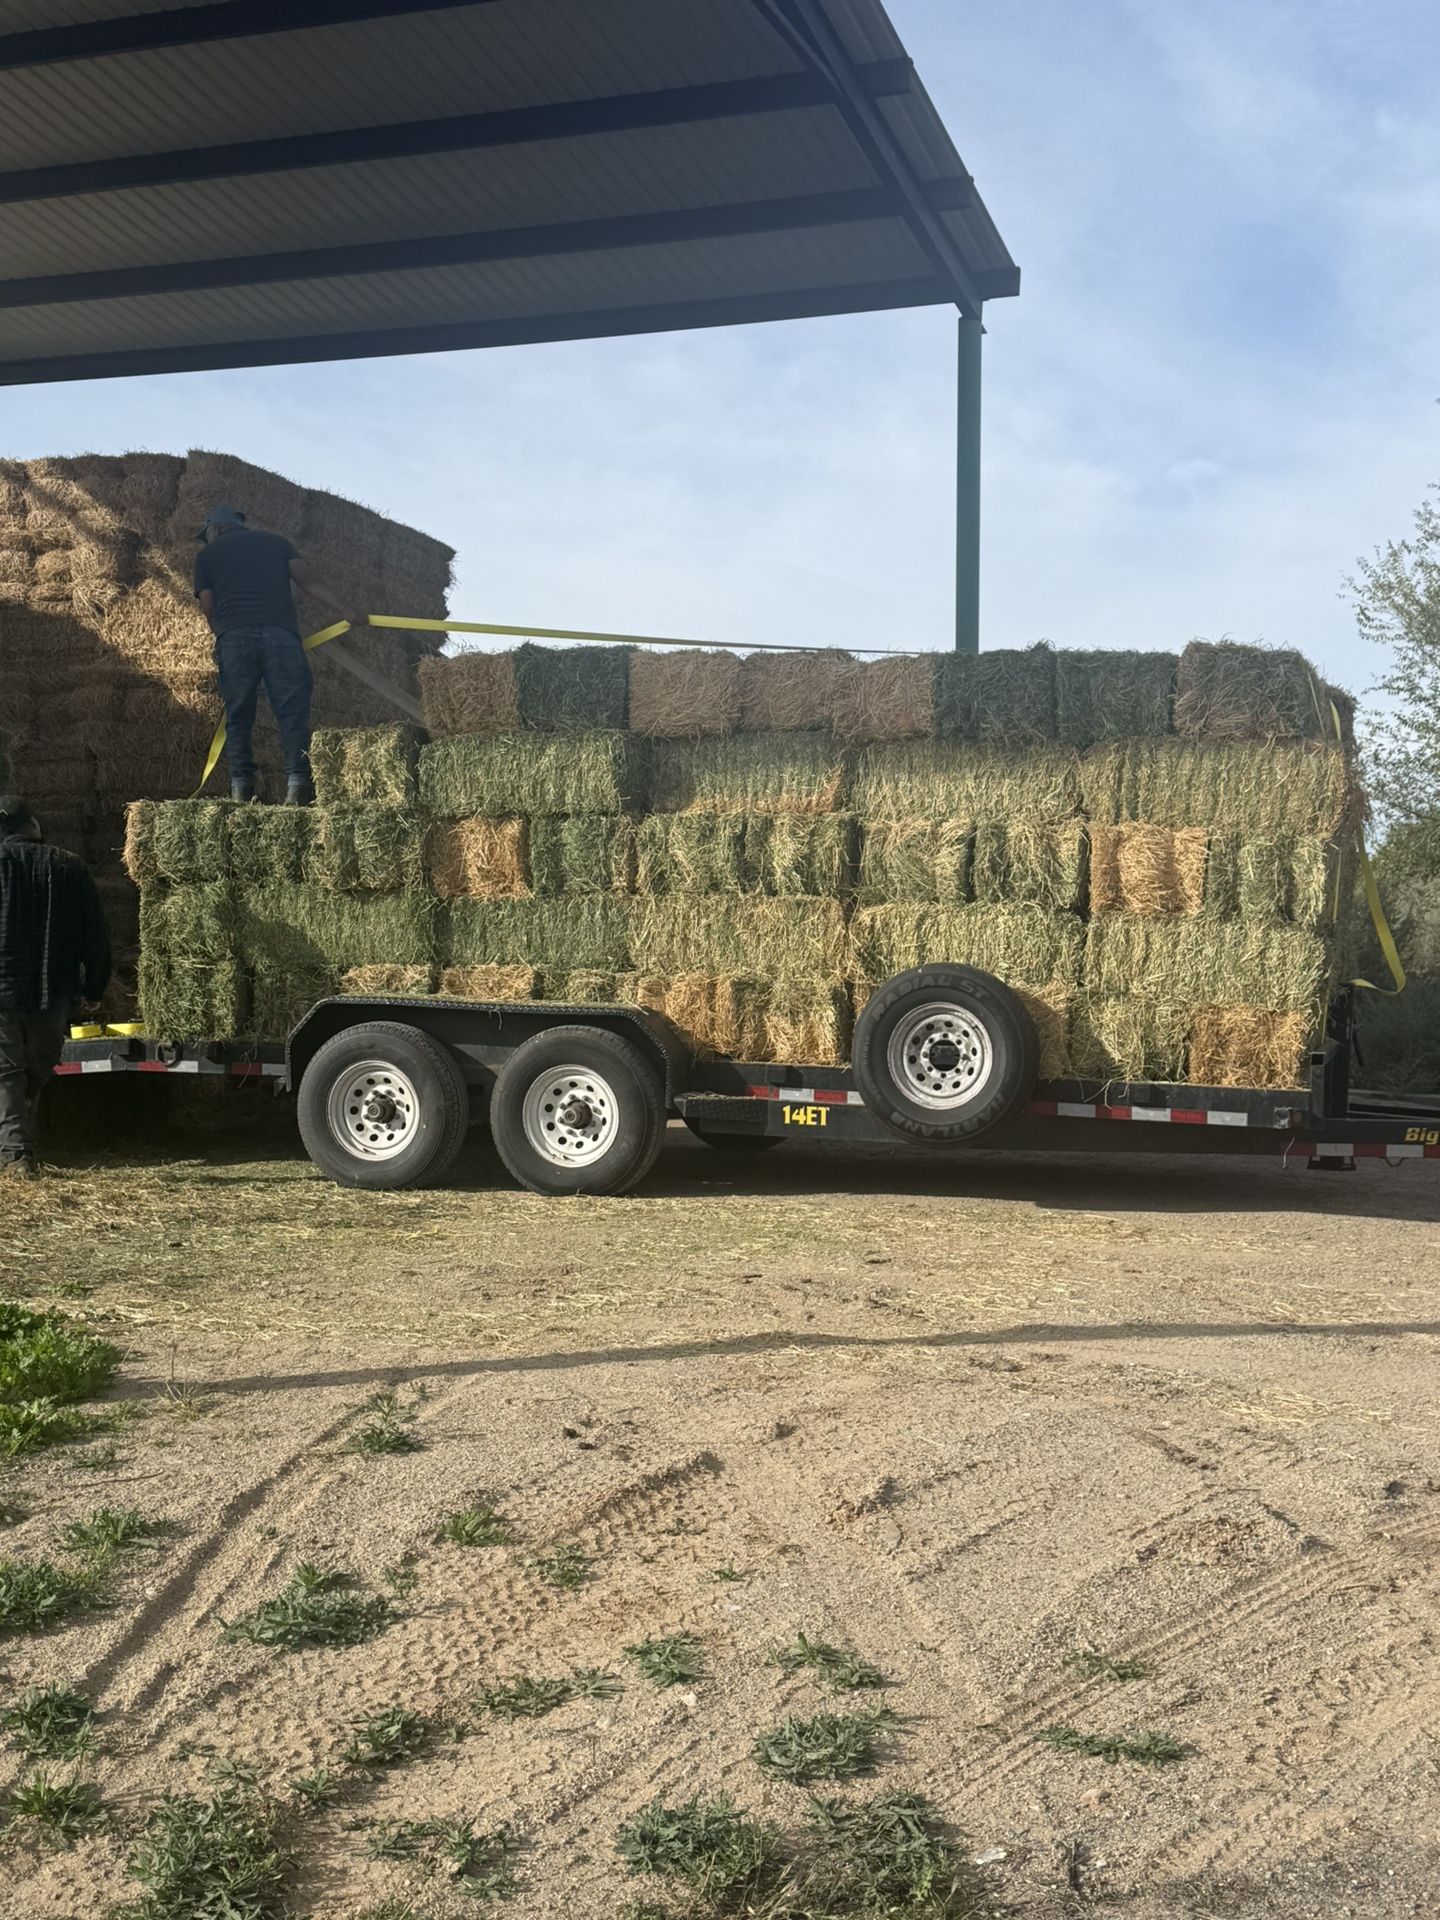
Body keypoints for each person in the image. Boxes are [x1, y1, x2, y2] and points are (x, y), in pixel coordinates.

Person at [193, 504, 348, 805]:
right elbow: (308, 582)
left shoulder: (206, 556)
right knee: (292, 712)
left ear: (215, 529)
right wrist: (346, 610)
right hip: (281, 635)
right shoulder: (277, 543)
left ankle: (241, 790)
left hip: (235, 638)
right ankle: (298, 785)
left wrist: (225, 632)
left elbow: (209, 606)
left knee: (238, 715)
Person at [0, 796, 111, 1179]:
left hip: (3, 988)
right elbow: (95, 935)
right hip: (54, 988)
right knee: (36, 1067)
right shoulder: (69, 868)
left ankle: (17, 1146)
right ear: (32, 825)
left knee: (9, 1069)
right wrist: (96, 986)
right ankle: (18, 1153)